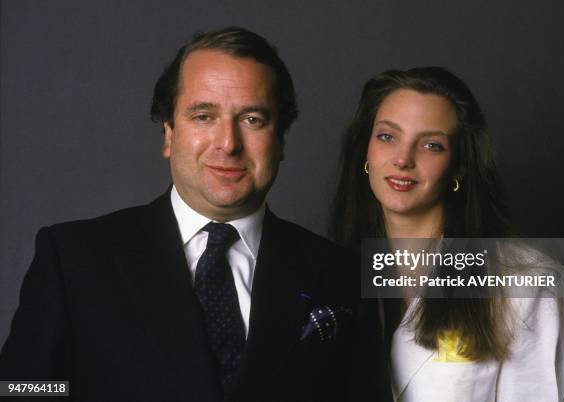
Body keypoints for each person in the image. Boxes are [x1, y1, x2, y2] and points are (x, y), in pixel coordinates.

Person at [0, 27, 359, 402]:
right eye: (204, 116)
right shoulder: (73, 257)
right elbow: (17, 389)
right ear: (168, 134)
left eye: (252, 119)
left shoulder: (338, 272)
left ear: (281, 140)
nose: (228, 143)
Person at [330, 67, 564, 401]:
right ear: (366, 152)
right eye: (387, 136)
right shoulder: (328, 271)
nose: (403, 159)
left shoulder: (527, 281)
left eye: (432, 145)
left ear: (460, 166)